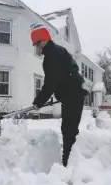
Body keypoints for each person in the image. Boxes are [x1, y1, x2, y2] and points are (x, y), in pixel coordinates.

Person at [30, 22, 88, 167]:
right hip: (73, 94)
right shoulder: (58, 51)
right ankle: (71, 159)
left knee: (68, 129)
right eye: (35, 44)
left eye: (37, 42)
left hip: (72, 95)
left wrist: (38, 102)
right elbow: (67, 73)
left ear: (44, 39)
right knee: (70, 128)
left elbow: (50, 84)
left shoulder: (52, 56)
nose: (36, 46)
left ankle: (68, 162)